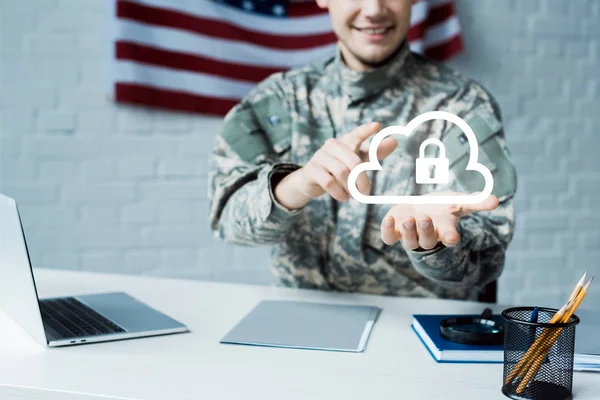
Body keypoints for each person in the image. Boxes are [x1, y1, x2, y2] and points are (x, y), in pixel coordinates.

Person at [208, 0, 517, 300]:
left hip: (417, 330)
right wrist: (296, 185)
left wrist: (436, 244)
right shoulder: (280, 100)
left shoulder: (461, 105)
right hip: (304, 322)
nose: (373, 10)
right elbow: (226, 221)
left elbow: (488, 257)